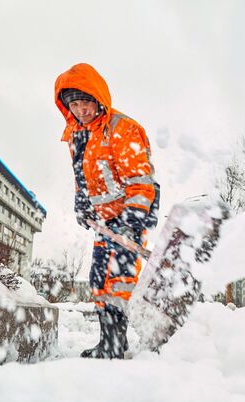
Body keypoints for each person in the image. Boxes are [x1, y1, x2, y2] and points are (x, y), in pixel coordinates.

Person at [54, 63, 159, 358]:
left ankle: (114, 345)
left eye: (85, 102)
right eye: (74, 104)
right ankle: (111, 341)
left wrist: (131, 220)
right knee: (99, 278)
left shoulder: (122, 129)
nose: (81, 110)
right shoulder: (76, 134)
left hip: (130, 215)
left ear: (97, 99)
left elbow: (141, 181)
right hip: (104, 220)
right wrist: (81, 202)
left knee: (119, 281)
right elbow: (83, 176)